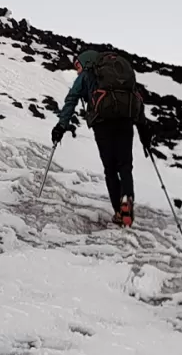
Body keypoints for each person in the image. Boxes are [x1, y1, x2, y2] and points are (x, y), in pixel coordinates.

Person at [52, 49, 152, 227]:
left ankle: (118, 212)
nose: (78, 70)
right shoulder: (120, 73)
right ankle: (127, 198)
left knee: (110, 169)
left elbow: (72, 98)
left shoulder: (88, 74)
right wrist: (144, 131)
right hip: (125, 122)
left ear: (85, 62)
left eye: (78, 66)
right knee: (125, 165)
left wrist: (61, 125)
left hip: (102, 124)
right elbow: (135, 99)